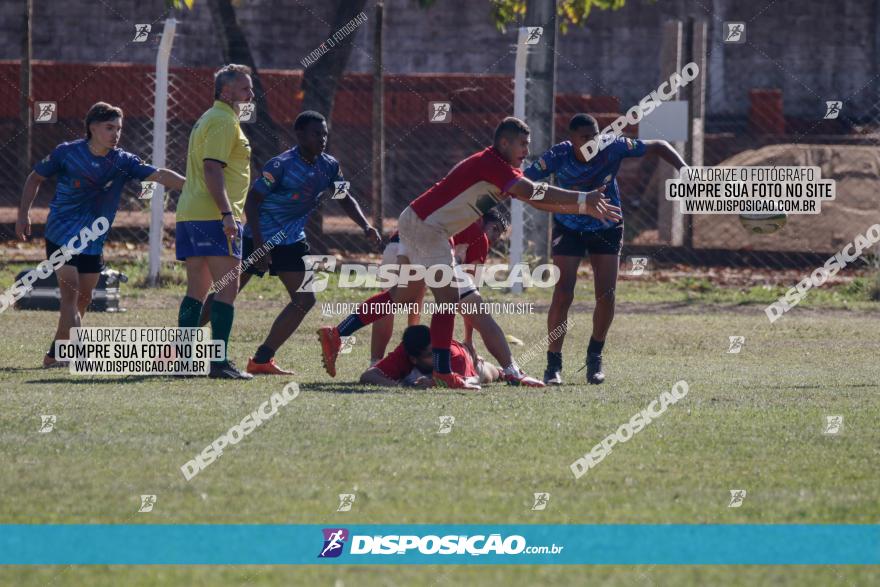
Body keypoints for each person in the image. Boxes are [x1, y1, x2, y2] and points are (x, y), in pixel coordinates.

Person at [318, 116, 620, 389]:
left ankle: (338, 333)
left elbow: (535, 199)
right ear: (504, 142)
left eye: (529, 145)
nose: (527, 150)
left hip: (418, 222)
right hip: (427, 228)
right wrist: (584, 197)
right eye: (523, 144)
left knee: (402, 296)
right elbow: (532, 192)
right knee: (447, 300)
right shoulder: (492, 164)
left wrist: (583, 205)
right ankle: (443, 371)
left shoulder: (504, 169)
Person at [199, 110, 382, 375]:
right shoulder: (281, 165)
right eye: (316, 133)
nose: (322, 138)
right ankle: (177, 346)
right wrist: (261, 246)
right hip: (257, 237)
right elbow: (253, 200)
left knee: (305, 299)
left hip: (292, 241)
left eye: (325, 134)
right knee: (227, 291)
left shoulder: (329, 165)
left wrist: (365, 225)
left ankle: (262, 359)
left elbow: (344, 196)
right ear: (299, 135)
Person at [15, 101, 185, 368]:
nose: (115, 134)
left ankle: (54, 356)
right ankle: (79, 352)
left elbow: (160, 175)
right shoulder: (67, 153)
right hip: (61, 233)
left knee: (84, 299)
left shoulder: (123, 161)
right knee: (70, 296)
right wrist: (23, 214)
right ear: (92, 127)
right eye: (109, 127)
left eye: (118, 128)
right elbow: (35, 177)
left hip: (93, 239)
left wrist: (194, 186)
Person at [524, 113, 688, 385]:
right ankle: (553, 364)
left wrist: (685, 169)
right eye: (584, 137)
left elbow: (658, 145)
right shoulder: (557, 156)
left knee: (607, 294)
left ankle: (595, 357)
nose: (591, 142)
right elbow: (525, 184)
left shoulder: (614, 146)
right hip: (569, 228)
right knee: (563, 293)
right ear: (572, 139)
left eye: (594, 136)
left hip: (607, 226)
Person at [175, 64, 255, 379]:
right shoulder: (223, 120)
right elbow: (212, 168)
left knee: (196, 289)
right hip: (214, 215)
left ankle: (183, 361)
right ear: (226, 91)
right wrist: (226, 213)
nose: (251, 93)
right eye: (245, 88)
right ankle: (219, 363)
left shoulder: (209, 117)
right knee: (227, 288)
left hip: (190, 214)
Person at [368, 208, 509, 365]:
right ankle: (508, 368)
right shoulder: (478, 235)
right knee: (456, 301)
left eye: (500, 233)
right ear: (480, 220)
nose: (496, 236)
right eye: (494, 228)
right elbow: (470, 296)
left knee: (388, 302)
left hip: (396, 247)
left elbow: (419, 290)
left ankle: (375, 362)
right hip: (419, 249)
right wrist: (469, 340)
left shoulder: (450, 214)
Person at [360, 325, 499, 388]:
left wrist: (435, 383)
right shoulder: (405, 351)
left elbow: (471, 383)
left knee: (487, 373)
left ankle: (503, 371)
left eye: (438, 349)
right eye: (431, 354)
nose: (439, 355)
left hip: (467, 360)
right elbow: (368, 376)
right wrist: (399, 386)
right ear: (413, 359)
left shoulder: (454, 357)